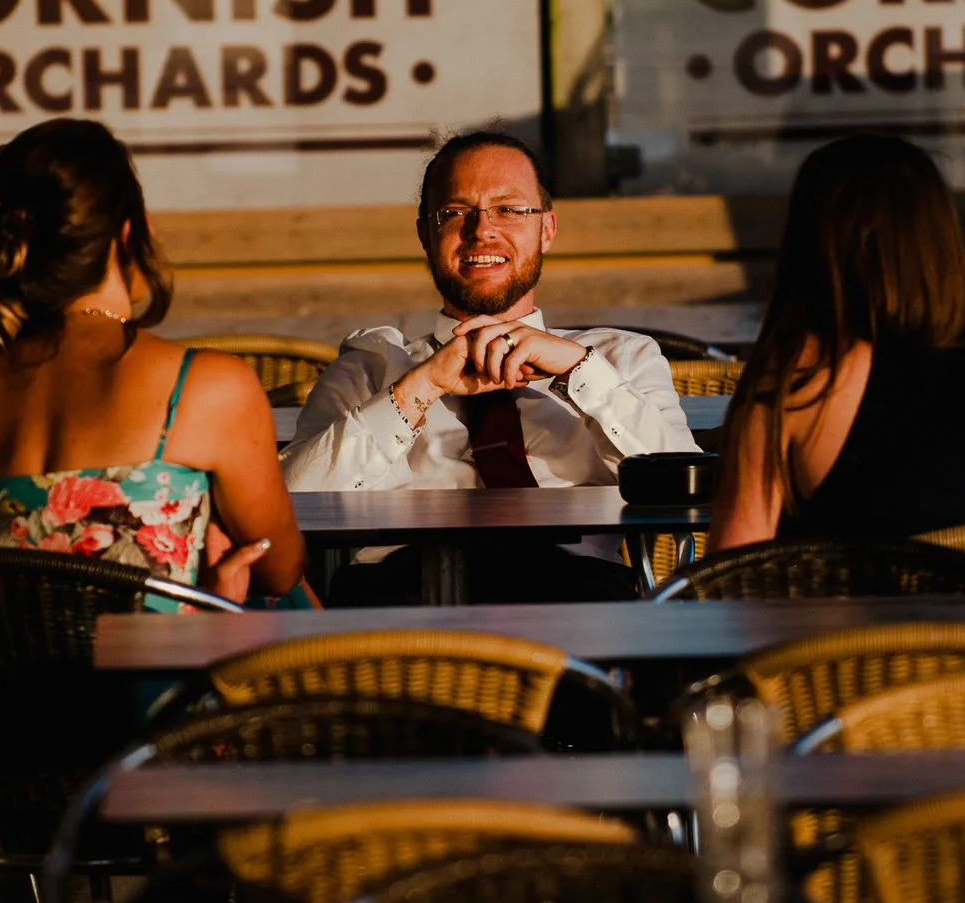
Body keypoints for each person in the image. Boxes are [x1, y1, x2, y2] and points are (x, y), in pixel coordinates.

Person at [281, 130, 697, 602]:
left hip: (576, 601)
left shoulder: (622, 358)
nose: (482, 230)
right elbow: (286, 506)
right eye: (456, 212)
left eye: (510, 209)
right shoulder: (370, 369)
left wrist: (580, 373)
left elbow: (686, 488)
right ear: (425, 234)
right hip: (402, 610)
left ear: (547, 229)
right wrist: (419, 388)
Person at [0, 119, 306, 606]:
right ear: (131, 233)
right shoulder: (205, 389)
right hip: (163, 679)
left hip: (5, 683)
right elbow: (279, 570)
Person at [707, 133, 965, 549]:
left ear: (810, 250)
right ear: (941, 243)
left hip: (861, 614)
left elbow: (726, 578)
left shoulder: (802, 381)